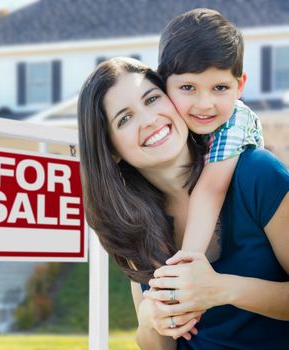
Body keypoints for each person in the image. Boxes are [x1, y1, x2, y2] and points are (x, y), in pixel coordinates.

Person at [77, 56, 289, 349]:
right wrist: (151, 318)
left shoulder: (256, 174)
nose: (149, 120)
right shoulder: (133, 222)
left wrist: (222, 290)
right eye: (125, 119)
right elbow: (158, 343)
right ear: (111, 150)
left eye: (152, 99)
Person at [157, 8, 264, 257]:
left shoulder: (236, 120)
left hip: (247, 231)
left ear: (239, 86)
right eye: (187, 87)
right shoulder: (168, 120)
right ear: (163, 83)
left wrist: (188, 260)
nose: (205, 104)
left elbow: (211, 190)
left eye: (219, 87)